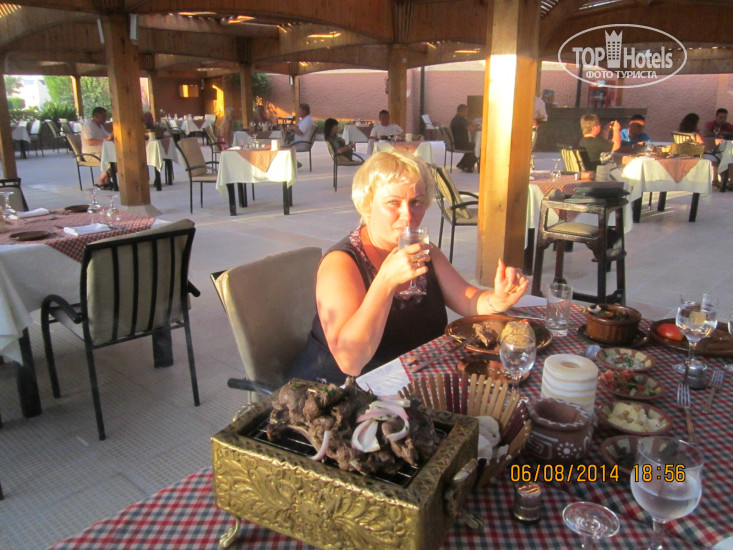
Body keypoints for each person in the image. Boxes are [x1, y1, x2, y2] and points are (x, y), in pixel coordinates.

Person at [289, 150, 530, 384]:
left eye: (416, 202)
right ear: (367, 204)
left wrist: (497, 300)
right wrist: (385, 282)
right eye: (393, 202)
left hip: (410, 382)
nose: (408, 215)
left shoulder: (425, 252)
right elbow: (350, 361)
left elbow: (469, 301)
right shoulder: (341, 263)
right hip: (335, 392)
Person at [681, 112, 726, 187]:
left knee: (715, 155)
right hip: (697, 155)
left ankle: (715, 180)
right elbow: (703, 147)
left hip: (686, 154)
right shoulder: (695, 134)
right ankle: (717, 180)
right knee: (719, 156)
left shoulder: (681, 133)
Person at [81, 106, 114, 189]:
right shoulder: (89, 125)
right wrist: (106, 139)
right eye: (103, 116)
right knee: (115, 159)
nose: (105, 118)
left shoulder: (100, 126)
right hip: (91, 154)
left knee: (122, 158)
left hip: (103, 152)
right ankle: (100, 180)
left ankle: (106, 180)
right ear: (96, 116)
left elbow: (107, 136)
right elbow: (90, 142)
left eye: (106, 116)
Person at [450, 104, 479, 173]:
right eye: (466, 111)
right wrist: (479, 127)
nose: (467, 113)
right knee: (478, 147)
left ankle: (462, 164)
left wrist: (474, 124)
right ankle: (468, 166)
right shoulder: (460, 119)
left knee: (473, 146)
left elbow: (468, 124)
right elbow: (470, 128)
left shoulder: (456, 118)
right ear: (462, 111)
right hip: (460, 144)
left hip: (456, 143)